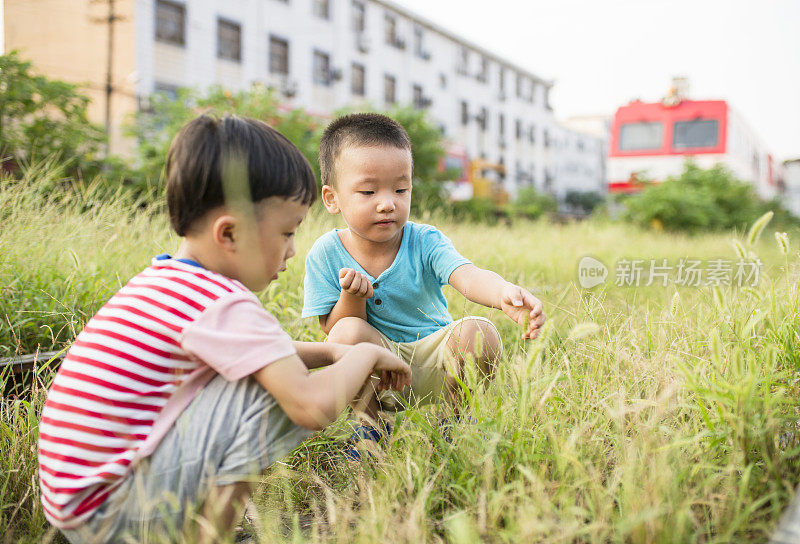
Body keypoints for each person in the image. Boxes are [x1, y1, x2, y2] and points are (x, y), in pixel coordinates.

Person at [37, 114, 411, 543]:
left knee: (261, 369)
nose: (292, 251)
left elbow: (263, 349)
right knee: (264, 388)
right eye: (287, 233)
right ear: (230, 233)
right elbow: (312, 407)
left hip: (82, 507)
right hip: (120, 515)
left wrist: (329, 352)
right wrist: (367, 354)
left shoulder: (166, 281)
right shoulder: (222, 303)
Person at [301, 112, 545, 450]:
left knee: (480, 332)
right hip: (377, 369)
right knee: (347, 334)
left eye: (401, 189)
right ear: (332, 199)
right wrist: (352, 298)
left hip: (436, 364)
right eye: (369, 191)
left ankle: (454, 423)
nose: (388, 203)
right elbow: (334, 333)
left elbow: (467, 275)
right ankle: (370, 428)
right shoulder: (325, 252)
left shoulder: (425, 240)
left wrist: (503, 291)